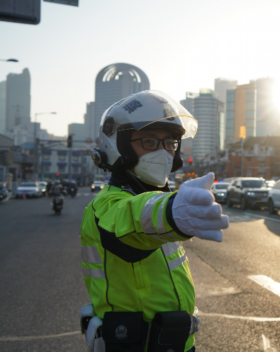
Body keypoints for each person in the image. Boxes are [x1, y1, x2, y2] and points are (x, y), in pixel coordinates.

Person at [80, 91, 228, 352]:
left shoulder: (160, 196)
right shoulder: (105, 205)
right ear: (119, 147)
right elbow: (135, 216)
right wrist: (171, 211)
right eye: (149, 141)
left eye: (170, 143)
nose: (164, 152)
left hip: (177, 342)